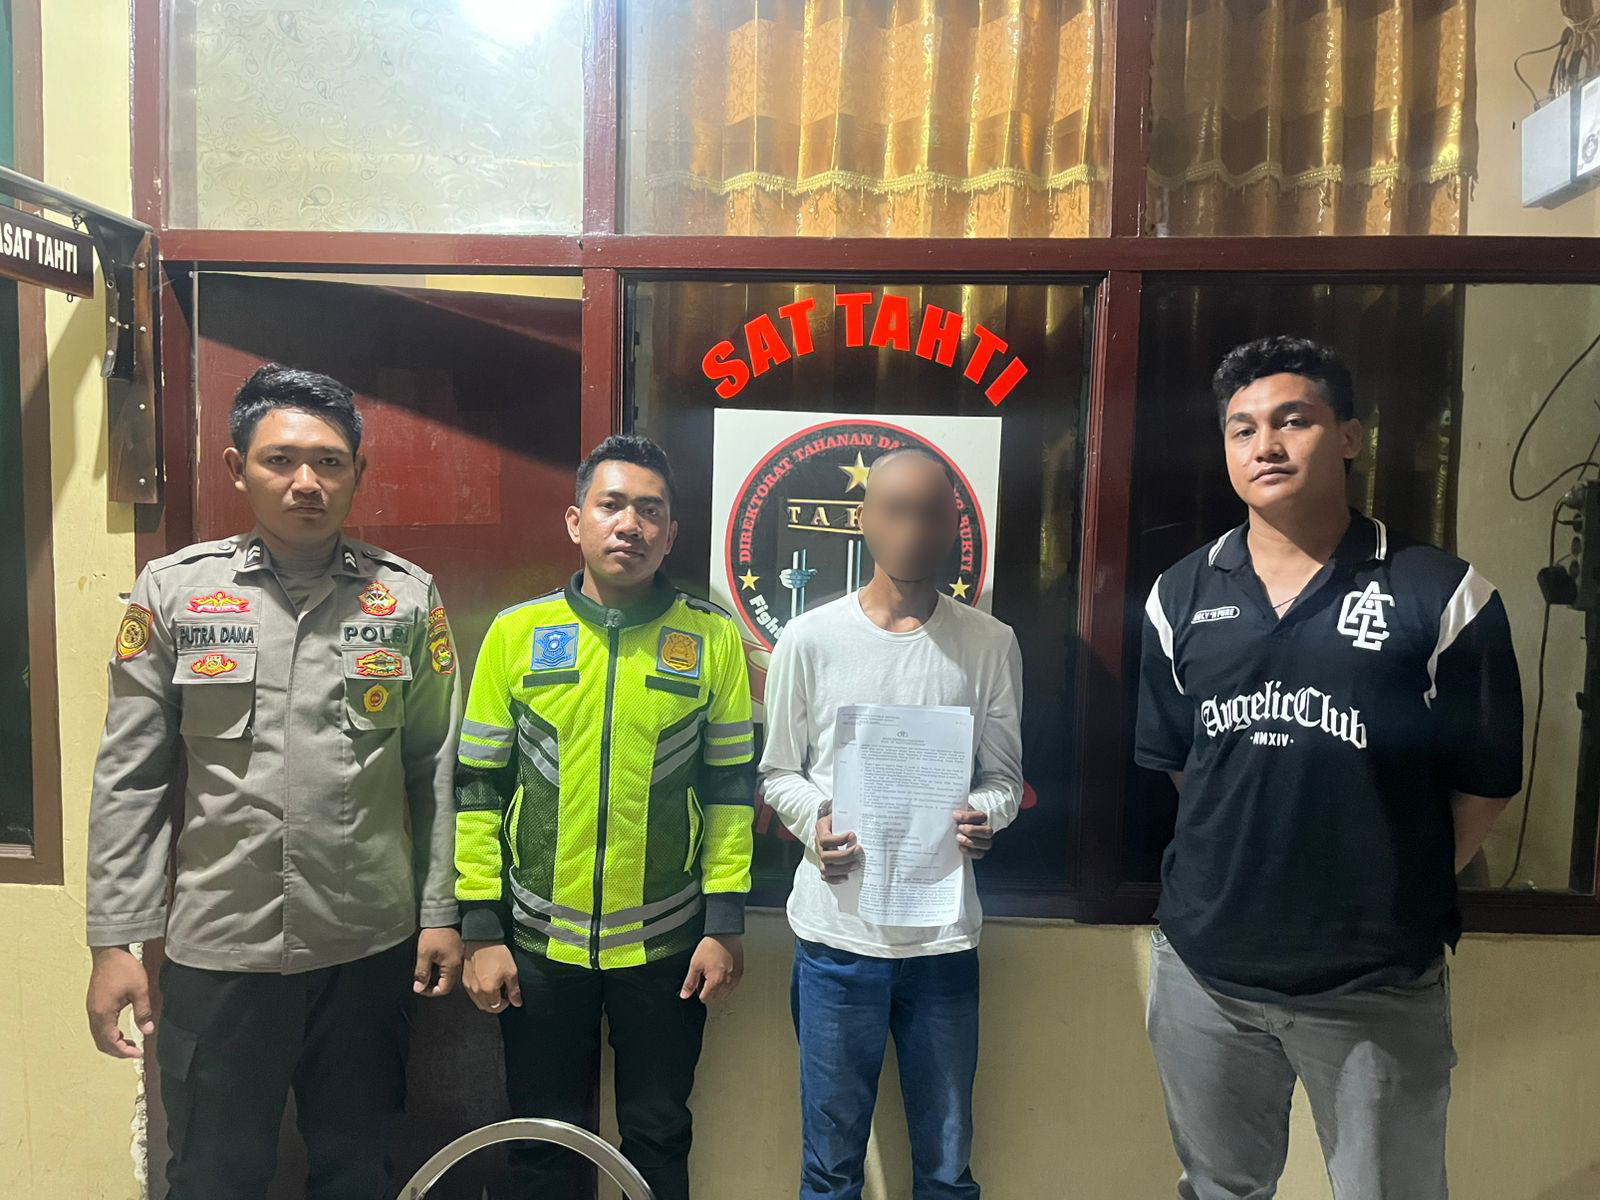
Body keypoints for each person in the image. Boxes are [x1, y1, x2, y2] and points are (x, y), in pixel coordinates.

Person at [1135, 336, 1525, 1200]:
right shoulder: (1179, 595)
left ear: (1350, 436)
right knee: (1218, 1188)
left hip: (1373, 981)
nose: (1265, 445)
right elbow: (1188, 771)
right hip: (1206, 972)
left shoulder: (1443, 594)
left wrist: (1388, 888)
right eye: (1242, 429)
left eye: (1293, 421)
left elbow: (1486, 783)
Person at [83, 364, 464, 1200]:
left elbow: (436, 765)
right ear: (237, 468)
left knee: (357, 1172)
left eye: (329, 462)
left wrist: (440, 910)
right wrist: (114, 942)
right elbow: (131, 776)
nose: (306, 482)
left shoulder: (405, 599)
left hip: (366, 947)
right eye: (280, 460)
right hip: (220, 947)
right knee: (213, 1177)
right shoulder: (176, 592)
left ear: (358, 472)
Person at [455, 433, 755, 1200]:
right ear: (575, 521)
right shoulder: (516, 635)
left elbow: (730, 787)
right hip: (536, 943)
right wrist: (481, 928)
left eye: (650, 511)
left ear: (672, 533)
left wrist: (723, 921)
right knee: (542, 1143)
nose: (630, 524)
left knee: (659, 1135)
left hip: (668, 944)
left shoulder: (712, 638)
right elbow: (477, 787)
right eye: (612, 505)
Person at [759, 448, 1024, 1200]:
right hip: (837, 943)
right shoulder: (810, 639)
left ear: (955, 526)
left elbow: (1005, 780)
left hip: (943, 944)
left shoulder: (990, 643)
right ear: (864, 519)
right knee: (831, 1168)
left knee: (946, 1168)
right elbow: (776, 773)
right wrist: (817, 821)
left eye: (931, 513)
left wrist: (984, 816)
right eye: (895, 510)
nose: (913, 529)